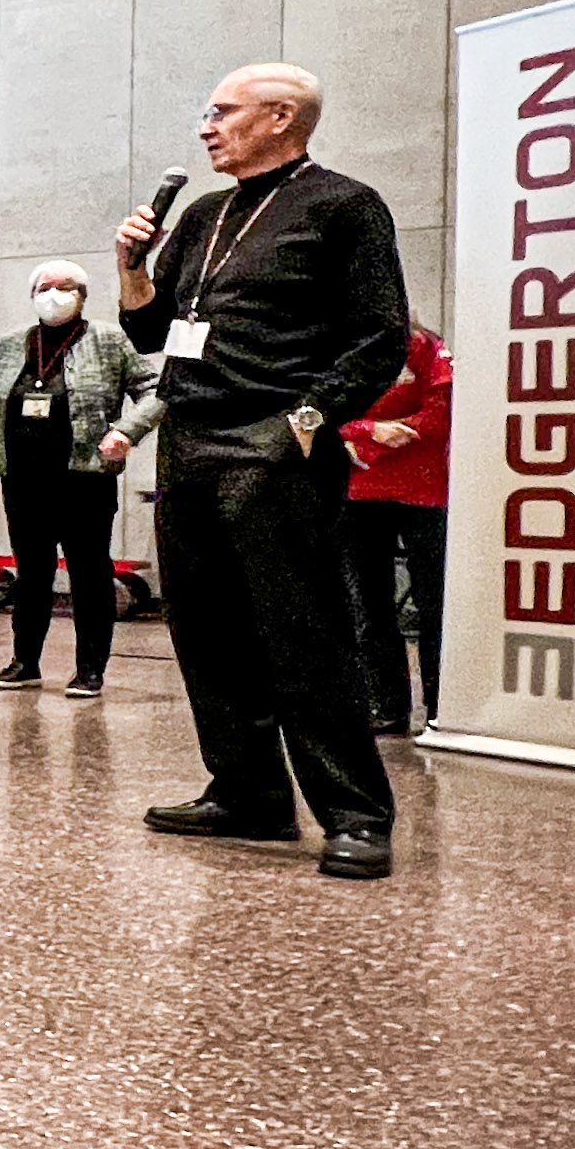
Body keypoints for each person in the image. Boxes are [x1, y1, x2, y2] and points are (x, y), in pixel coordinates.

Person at [116, 60, 413, 881]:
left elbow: (377, 339)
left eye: (221, 112)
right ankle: (247, 794)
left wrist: (301, 427)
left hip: (276, 441)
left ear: (280, 117)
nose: (206, 127)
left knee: (302, 635)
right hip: (188, 439)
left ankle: (355, 813)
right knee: (205, 632)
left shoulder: (343, 206)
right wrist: (130, 264)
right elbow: (145, 332)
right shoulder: (206, 213)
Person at [0, 260, 157, 697]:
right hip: (22, 479)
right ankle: (25, 663)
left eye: (65, 287)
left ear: (82, 294)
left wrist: (126, 430)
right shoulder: (8, 345)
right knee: (32, 574)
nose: (54, 294)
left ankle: (90, 669)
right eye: (45, 287)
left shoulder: (109, 340)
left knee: (89, 574)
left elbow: (154, 390)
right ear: (32, 295)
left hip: (85, 478)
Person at [343, 323, 452, 735]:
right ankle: (388, 707)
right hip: (358, 492)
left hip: (424, 491)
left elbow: (441, 412)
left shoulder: (424, 348)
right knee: (370, 606)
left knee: (434, 604)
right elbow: (316, 416)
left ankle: (441, 705)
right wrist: (371, 432)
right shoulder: (337, 347)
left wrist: (374, 440)